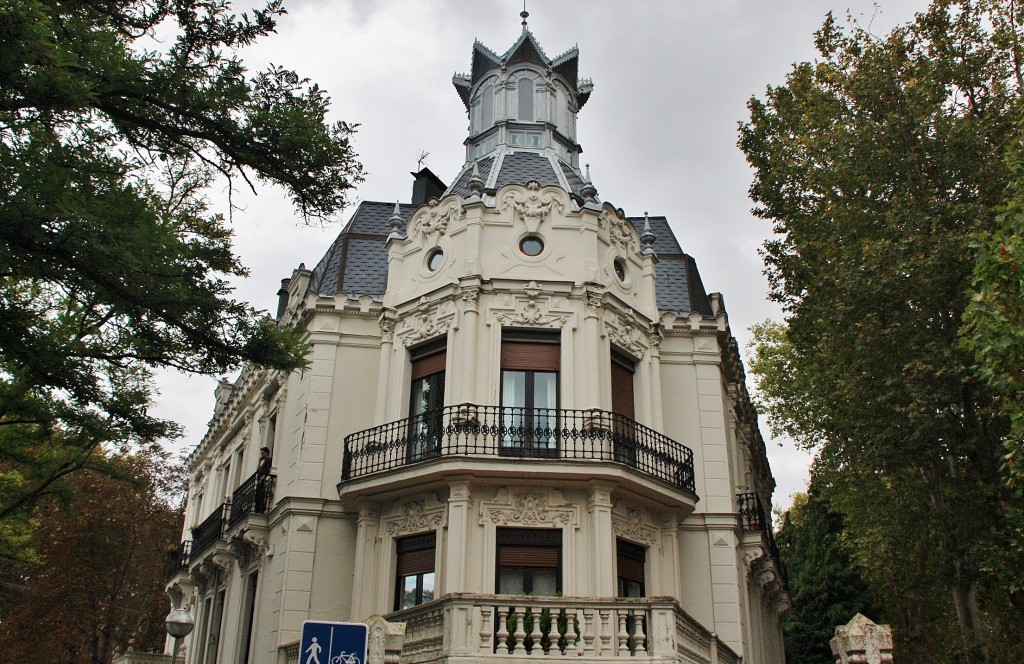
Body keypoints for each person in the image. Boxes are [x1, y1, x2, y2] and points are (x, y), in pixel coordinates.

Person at [255, 447, 272, 513]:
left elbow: (267, 471)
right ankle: (258, 509)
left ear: (266, 453)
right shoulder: (264, 461)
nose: (261, 455)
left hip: (261, 481)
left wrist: (262, 478)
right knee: (258, 495)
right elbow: (257, 470)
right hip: (259, 480)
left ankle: (261, 509)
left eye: (262, 453)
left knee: (261, 495)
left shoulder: (268, 460)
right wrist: (259, 461)